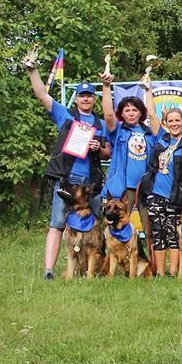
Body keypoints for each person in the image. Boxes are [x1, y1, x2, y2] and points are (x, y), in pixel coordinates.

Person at [27, 57, 110, 280]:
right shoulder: (65, 115)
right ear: (77, 99)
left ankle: (91, 269)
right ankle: (49, 270)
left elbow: (107, 153)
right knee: (58, 224)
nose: (85, 99)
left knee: (93, 227)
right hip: (67, 180)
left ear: (94, 99)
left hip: (91, 184)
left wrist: (97, 148)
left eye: (89, 95)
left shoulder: (100, 124)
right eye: (82, 95)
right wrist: (33, 71)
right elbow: (42, 95)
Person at [139, 80, 182, 275]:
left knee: (174, 235)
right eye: (171, 121)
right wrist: (149, 91)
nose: (174, 124)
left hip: (176, 198)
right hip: (155, 195)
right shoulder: (160, 138)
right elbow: (151, 113)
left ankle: (173, 271)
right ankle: (159, 271)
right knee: (158, 233)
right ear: (165, 123)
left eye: (178, 121)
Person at [100, 70, 158, 252]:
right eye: (127, 110)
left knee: (150, 228)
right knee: (117, 225)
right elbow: (108, 116)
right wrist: (106, 87)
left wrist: (148, 90)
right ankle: (115, 261)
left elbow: (154, 115)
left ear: (141, 113)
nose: (131, 113)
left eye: (135, 110)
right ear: (122, 114)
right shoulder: (118, 131)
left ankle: (152, 267)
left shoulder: (150, 133)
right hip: (124, 187)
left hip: (147, 187)